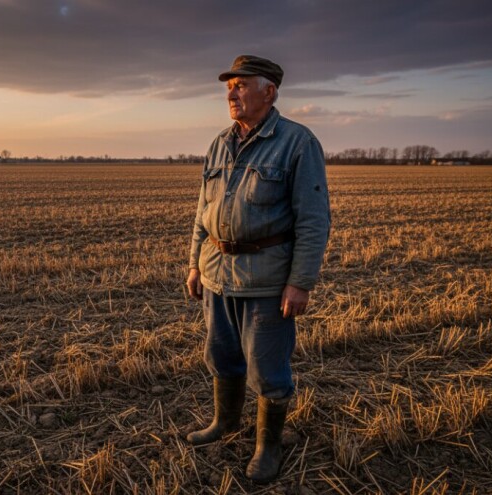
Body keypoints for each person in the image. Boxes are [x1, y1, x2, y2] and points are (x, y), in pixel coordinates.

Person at [185, 55, 330, 483]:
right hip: (216, 274)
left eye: (241, 85)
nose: (231, 93)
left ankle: (269, 446)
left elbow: (313, 220)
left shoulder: (298, 143)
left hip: (266, 280)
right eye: (229, 86)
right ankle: (225, 422)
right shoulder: (219, 143)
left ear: (269, 92)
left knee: (268, 370)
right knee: (222, 356)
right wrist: (194, 263)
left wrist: (300, 282)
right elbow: (202, 211)